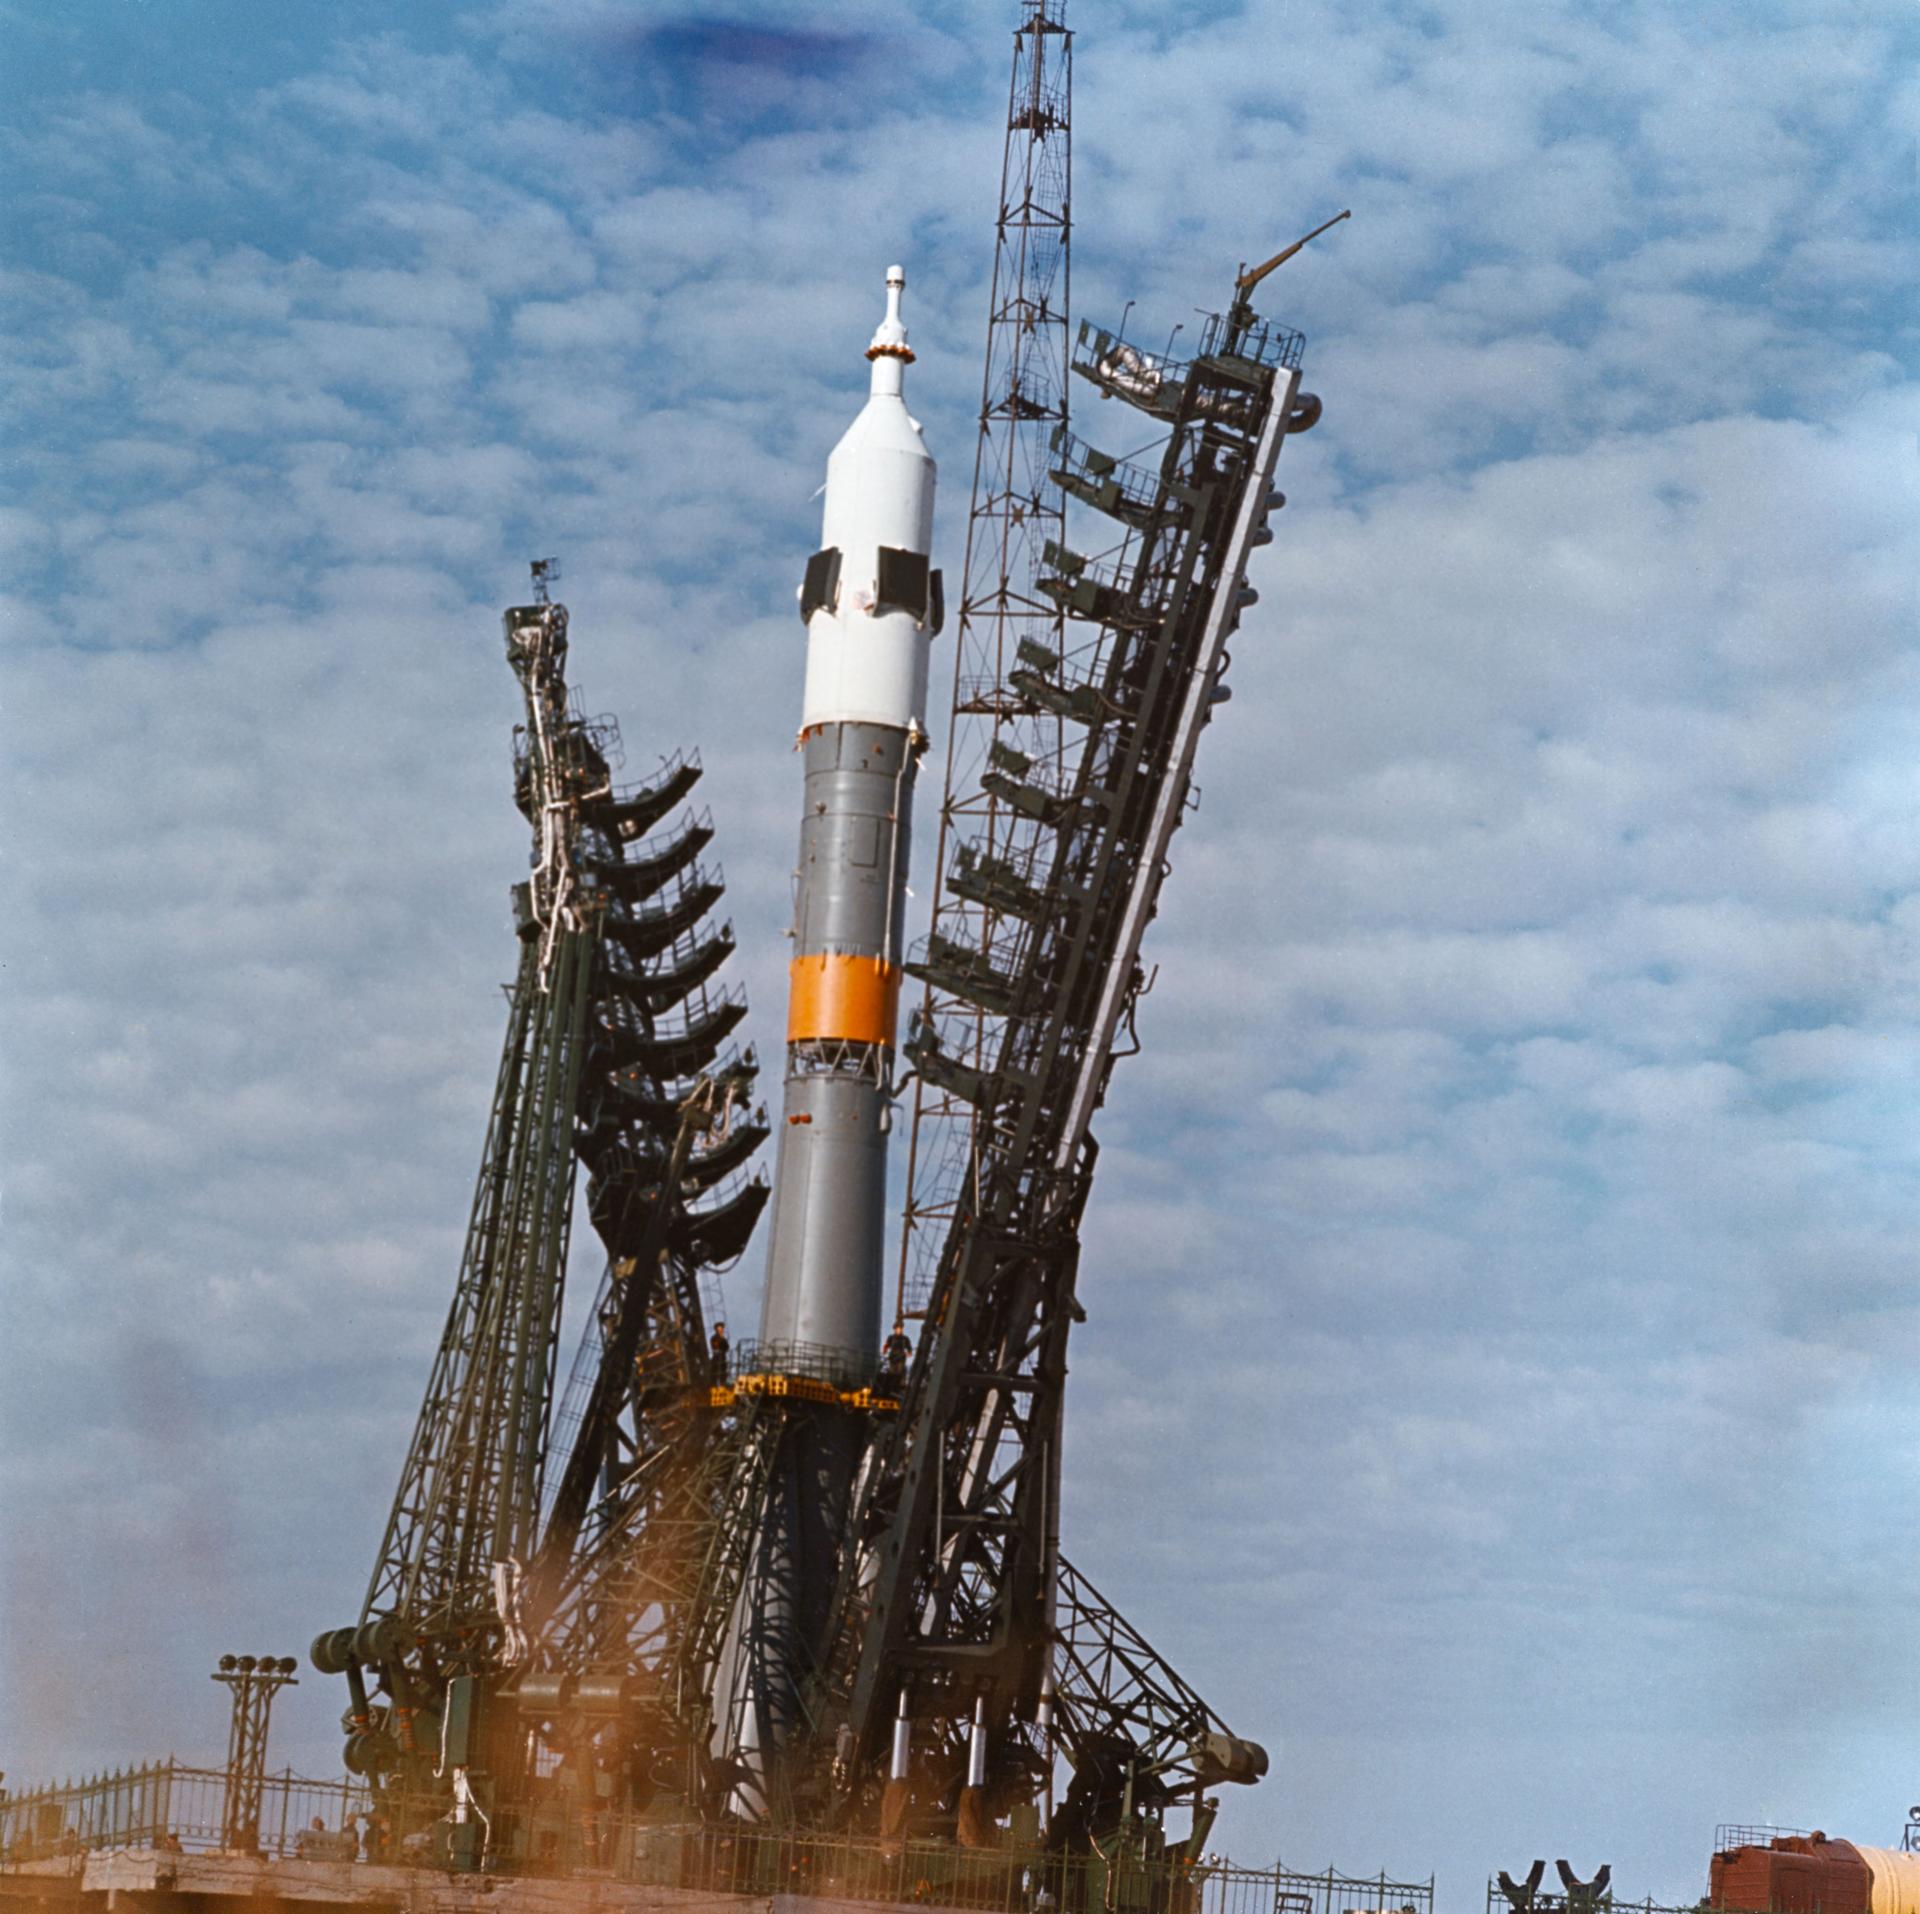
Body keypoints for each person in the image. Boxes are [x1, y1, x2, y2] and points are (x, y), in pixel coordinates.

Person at [881, 1321, 911, 1392]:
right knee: (892, 1373)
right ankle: (891, 1386)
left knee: (900, 1372)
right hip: (893, 1358)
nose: (899, 1330)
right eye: (897, 1328)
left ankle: (900, 1385)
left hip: (901, 1358)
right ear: (894, 1329)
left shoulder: (905, 1339)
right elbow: (887, 1345)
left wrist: (909, 1353)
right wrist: (884, 1350)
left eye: (900, 1328)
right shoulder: (891, 1338)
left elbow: (909, 1348)